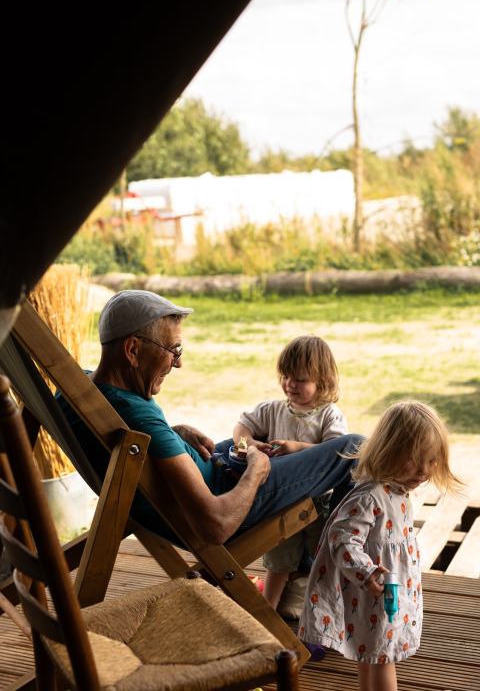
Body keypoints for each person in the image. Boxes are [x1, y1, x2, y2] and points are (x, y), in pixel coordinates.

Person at [56, 289, 364, 550]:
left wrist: (173, 434)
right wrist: (256, 472)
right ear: (133, 350)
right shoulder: (138, 416)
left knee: (247, 443)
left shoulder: (79, 388)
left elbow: (134, 440)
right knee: (355, 449)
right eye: (173, 349)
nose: (178, 362)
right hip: (229, 501)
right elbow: (215, 525)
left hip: (204, 478)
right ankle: (333, 553)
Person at [298, 400, 464, 691]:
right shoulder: (371, 497)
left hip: (389, 592)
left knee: (371, 654)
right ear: (388, 451)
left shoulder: (398, 492)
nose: (424, 470)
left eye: (432, 460)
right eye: (414, 459)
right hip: (376, 592)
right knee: (383, 657)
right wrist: (367, 571)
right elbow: (342, 539)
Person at [231, 335, 349, 615]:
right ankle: (267, 612)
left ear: (325, 383)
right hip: (281, 501)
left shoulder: (330, 415)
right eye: (285, 376)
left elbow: (336, 453)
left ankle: (322, 613)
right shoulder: (271, 409)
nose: (289, 384)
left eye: (300, 379)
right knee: (278, 559)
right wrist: (247, 446)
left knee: (323, 558)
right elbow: (241, 427)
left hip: (318, 503)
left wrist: (297, 448)